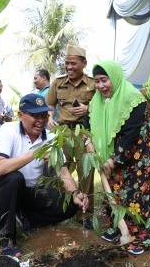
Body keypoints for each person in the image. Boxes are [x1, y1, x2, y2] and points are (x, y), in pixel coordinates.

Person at [0, 93, 89, 258]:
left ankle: (26, 218)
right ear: (20, 115)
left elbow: (63, 172)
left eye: (44, 115)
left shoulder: (51, 138)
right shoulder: (8, 130)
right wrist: (36, 153)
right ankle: (6, 240)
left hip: (32, 193)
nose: (41, 120)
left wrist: (75, 193)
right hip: (3, 191)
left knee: (69, 205)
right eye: (35, 115)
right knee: (15, 178)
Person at [85, 60, 150, 255]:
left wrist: (112, 161)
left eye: (104, 80)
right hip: (118, 154)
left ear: (114, 77)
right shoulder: (96, 101)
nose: (100, 86)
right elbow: (87, 123)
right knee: (117, 191)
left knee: (138, 192)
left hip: (141, 156)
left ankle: (141, 235)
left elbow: (131, 134)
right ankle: (120, 227)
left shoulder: (132, 98)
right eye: (97, 81)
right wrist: (88, 142)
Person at [45, 42, 96, 229]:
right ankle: (63, 208)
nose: (69, 67)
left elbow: (102, 106)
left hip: (83, 132)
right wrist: (50, 117)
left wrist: (88, 109)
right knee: (60, 169)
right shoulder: (57, 83)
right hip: (63, 131)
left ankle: (87, 214)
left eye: (73, 64)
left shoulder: (92, 84)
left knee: (86, 172)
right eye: (67, 63)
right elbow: (49, 105)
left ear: (84, 63)